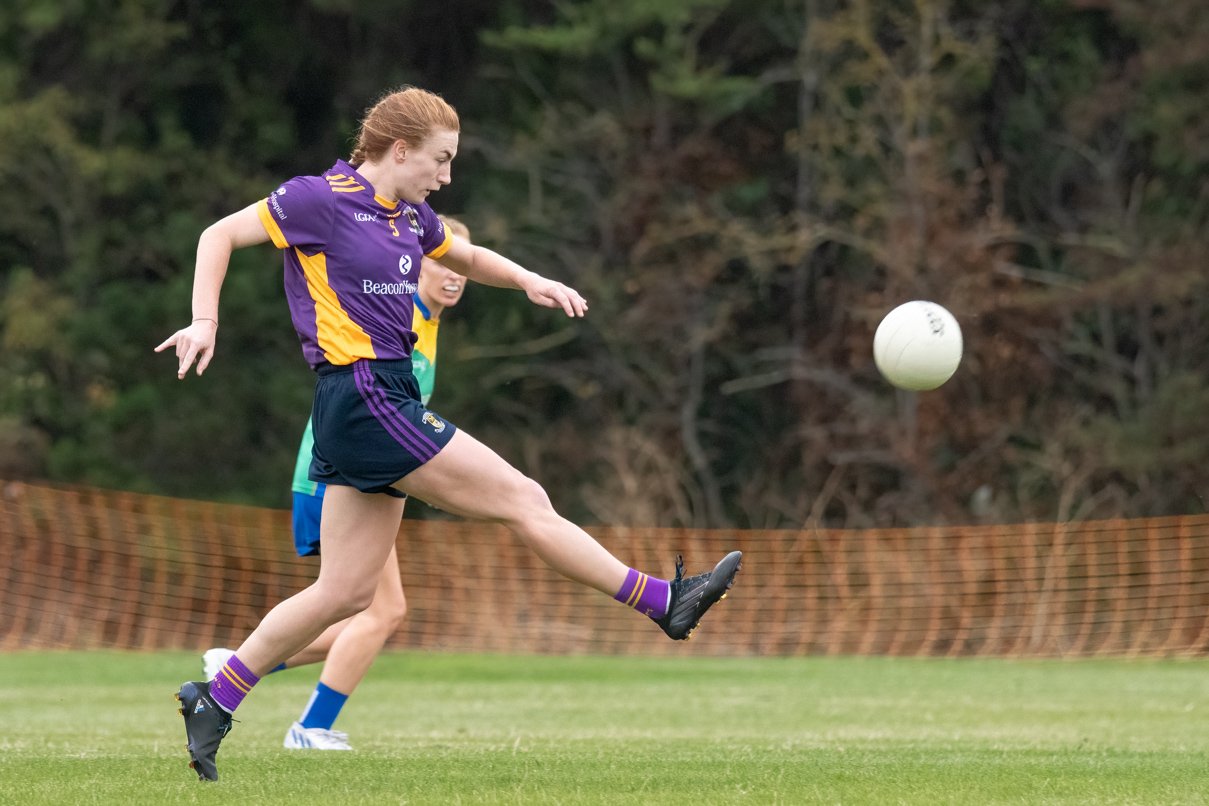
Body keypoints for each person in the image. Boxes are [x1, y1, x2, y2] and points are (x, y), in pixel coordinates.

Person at [156, 86, 741, 783]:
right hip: (364, 393)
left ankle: (215, 697)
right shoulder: (317, 199)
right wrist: (205, 321)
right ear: (398, 150)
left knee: (344, 593)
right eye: (439, 160)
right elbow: (216, 234)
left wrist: (529, 280)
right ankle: (662, 603)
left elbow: (463, 255)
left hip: (370, 399)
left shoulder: (411, 214)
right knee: (524, 498)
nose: (446, 176)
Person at [200, 215, 472, 752]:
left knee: (354, 607)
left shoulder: (431, 323)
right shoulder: (400, 317)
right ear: (412, 264)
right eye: (442, 260)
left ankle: (234, 672)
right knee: (380, 610)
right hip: (336, 475)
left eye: (462, 261)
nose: (454, 272)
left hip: (359, 473)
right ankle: (308, 727)